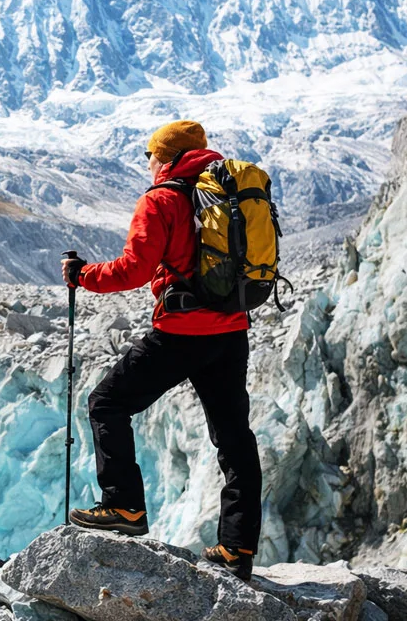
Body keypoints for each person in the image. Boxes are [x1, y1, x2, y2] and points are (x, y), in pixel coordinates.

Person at [61, 119, 262, 580]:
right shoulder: (228, 192)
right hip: (231, 331)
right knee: (234, 439)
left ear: (167, 158)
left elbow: (133, 270)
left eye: (152, 155)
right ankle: (237, 548)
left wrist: (82, 275)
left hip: (181, 332)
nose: (149, 162)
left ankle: (125, 506)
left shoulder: (163, 199)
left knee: (106, 403)